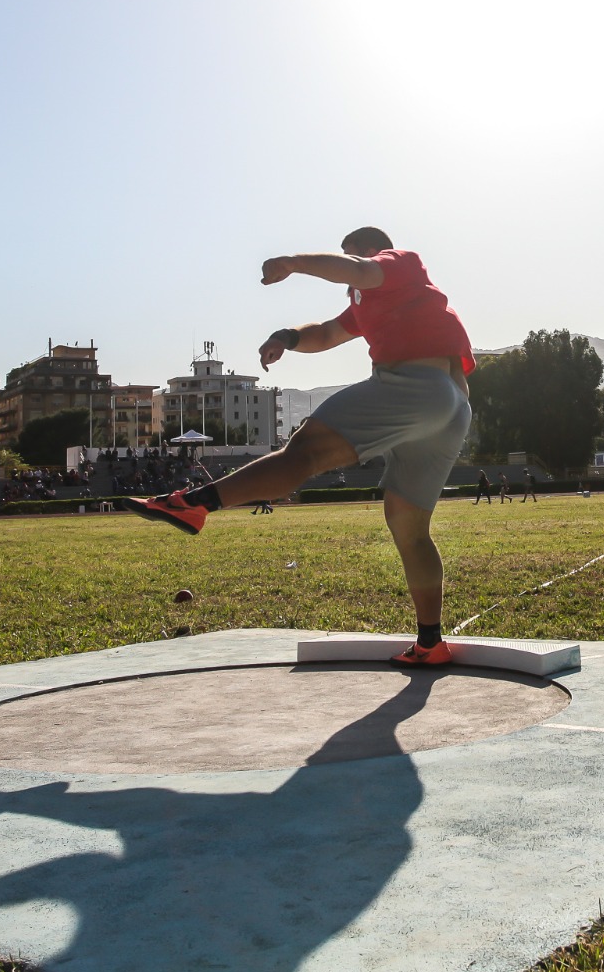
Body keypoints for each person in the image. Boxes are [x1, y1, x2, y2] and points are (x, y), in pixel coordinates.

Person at [123, 226, 475, 667]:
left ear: (370, 249)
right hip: (452, 408)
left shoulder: (399, 262)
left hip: (414, 386)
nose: (347, 277)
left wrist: (293, 263)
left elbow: (357, 270)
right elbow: (326, 333)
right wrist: (286, 337)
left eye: (349, 253)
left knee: (304, 453)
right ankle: (431, 643)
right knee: (409, 528)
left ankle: (193, 504)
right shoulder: (378, 301)